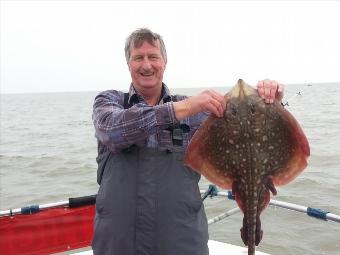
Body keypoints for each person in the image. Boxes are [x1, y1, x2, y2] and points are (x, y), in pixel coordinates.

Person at [91, 28, 284, 255]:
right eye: (138, 58)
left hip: (182, 242)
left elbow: (249, 133)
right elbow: (112, 130)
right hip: (119, 244)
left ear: (164, 62)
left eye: (153, 57)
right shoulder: (110, 102)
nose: (146, 65)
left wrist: (271, 104)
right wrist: (184, 108)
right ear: (128, 63)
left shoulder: (199, 113)